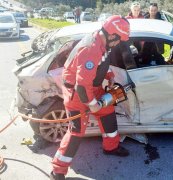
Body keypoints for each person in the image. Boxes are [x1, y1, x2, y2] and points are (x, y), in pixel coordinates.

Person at [50, 15, 130, 180]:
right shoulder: (91, 48)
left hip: (92, 88)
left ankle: (111, 147)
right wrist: (93, 104)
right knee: (76, 132)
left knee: (107, 113)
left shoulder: (102, 40)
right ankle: (58, 170)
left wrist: (109, 74)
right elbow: (81, 85)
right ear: (112, 35)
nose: (118, 44)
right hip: (78, 95)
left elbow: (101, 62)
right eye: (118, 40)